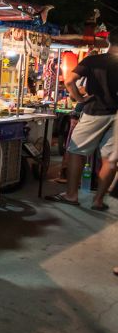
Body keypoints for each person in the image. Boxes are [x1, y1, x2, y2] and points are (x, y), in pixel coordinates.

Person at [48, 32, 118, 211]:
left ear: (108, 40)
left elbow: (70, 81)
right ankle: (98, 201)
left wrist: (79, 99)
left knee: (76, 151)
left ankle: (71, 195)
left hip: (95, 111)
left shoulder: (93, 60)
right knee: (110, 159)